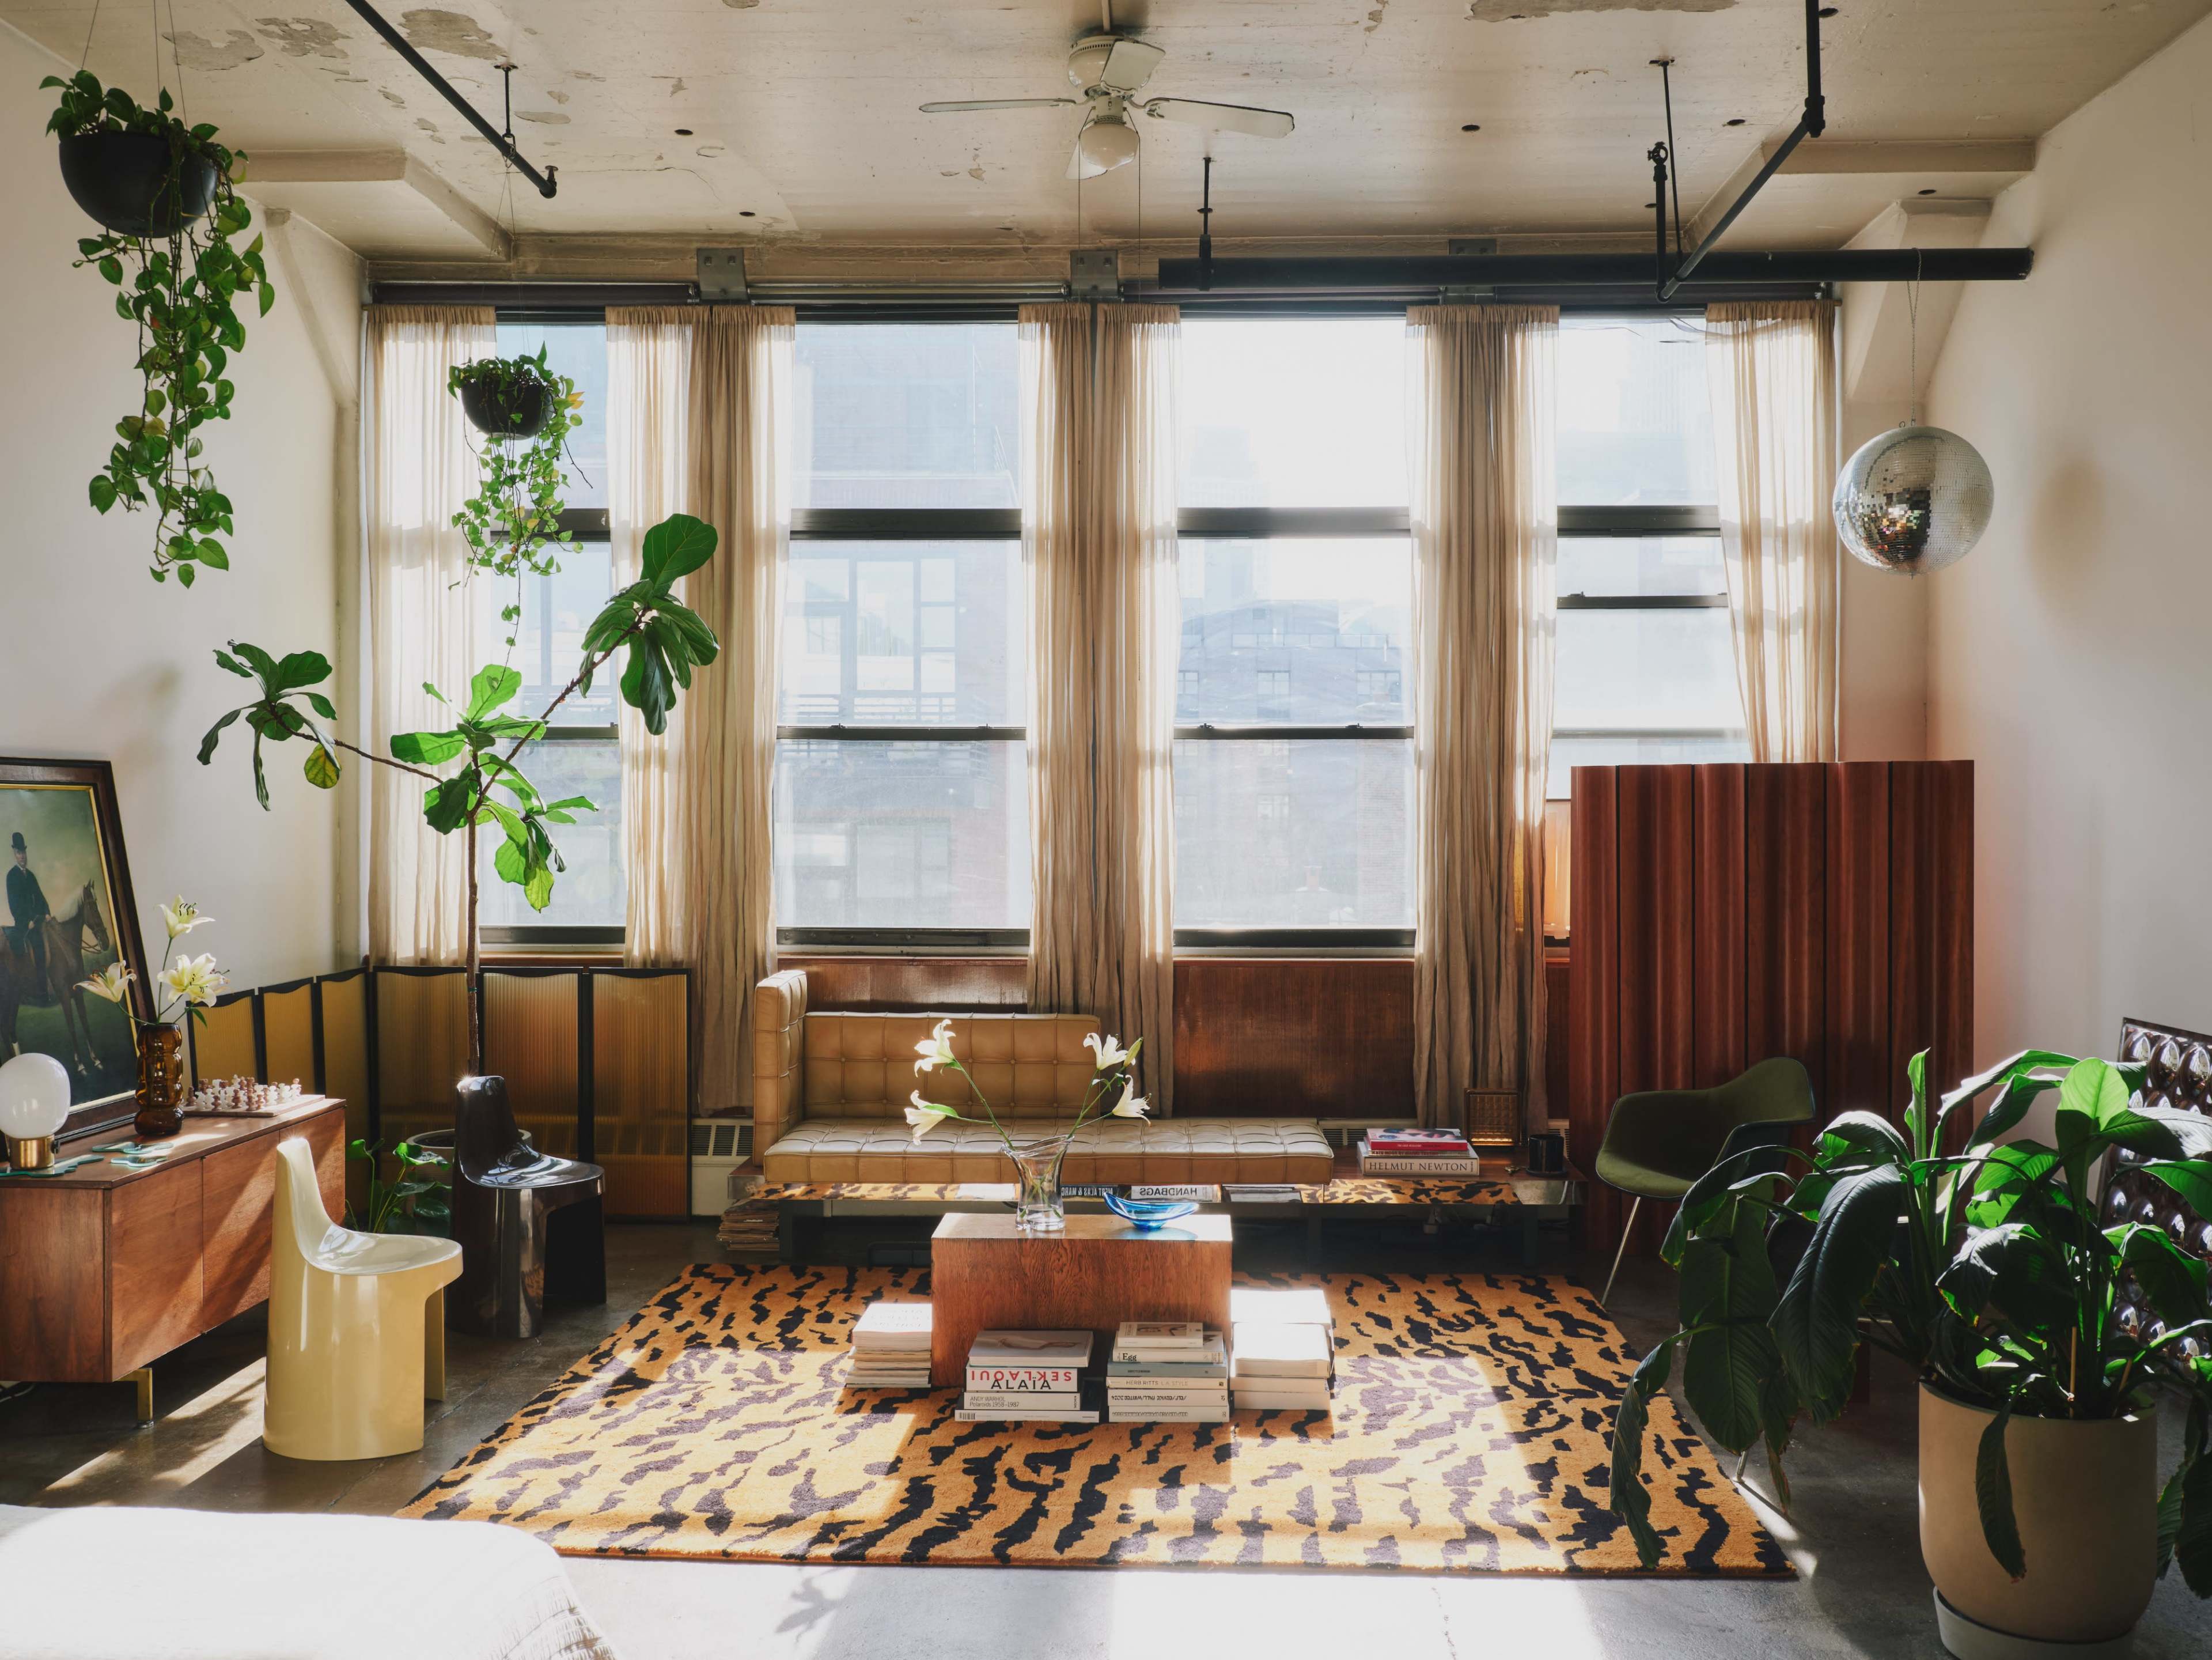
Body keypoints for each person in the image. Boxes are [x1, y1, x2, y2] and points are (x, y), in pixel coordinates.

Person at [7, 831, 50, 990]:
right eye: (19, 853)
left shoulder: (31, 876)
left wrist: (46, 912)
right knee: (38, 946)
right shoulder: (11, 876)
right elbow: (14, 905)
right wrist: (27, 922)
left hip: (38, 919)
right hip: (24, 924)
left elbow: (40, 896)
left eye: (24, 852)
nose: (22, 856)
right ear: (15, 855)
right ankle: (41, 992)